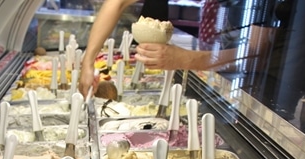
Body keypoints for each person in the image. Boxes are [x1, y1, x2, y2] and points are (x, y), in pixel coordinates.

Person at [79, 0, 278, 96]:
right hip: (218, 79)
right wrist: (88, 62)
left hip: (262, 94)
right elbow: (117, 2)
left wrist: (186, 59)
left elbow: (257, 55)